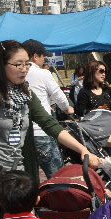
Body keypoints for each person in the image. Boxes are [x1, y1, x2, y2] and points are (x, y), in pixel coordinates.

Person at [0, 40, 102, 219]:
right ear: (1, 65)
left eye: (26, 64)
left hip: (23, 176)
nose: (24, 69)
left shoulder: (25, 94)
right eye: (18, 64)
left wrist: (82, 149)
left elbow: (50, 124)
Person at [23, 39, 74, 180]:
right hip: (42, 131)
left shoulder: (16, 74)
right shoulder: (43, 73)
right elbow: (59, 96)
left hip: (24, 134)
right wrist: (67, 108)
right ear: (35, 56)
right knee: (57, 174)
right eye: (42, 56)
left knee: (28, 177)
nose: (43, 60)